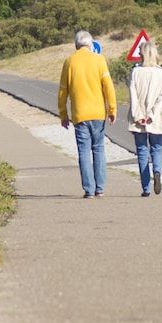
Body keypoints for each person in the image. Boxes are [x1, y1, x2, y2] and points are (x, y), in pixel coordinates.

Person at [57, 28, 118, 199]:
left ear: (76, 45)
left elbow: (63, 91)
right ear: (90, 44)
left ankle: (88, 190)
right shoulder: (99, 60)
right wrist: (112, 109)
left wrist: (63, 114)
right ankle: (100, 188)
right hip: (98, 113)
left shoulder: (69, 62)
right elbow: (108, 86)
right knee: (98, 149)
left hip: (79, 115)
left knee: (83, 151)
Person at [124, 39, 162, 197]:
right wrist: (151, 115)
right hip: (155, 117)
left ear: (142, 54)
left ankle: (146, 187)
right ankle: (157, 172)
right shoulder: (161, 74)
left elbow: (133, 95)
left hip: (138, 117)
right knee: (156, 147)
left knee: (142, 150)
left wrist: (138, 115)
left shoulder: (135, 72)